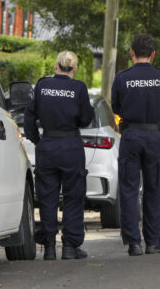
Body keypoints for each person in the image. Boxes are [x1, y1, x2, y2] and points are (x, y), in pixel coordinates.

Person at [24, 51, 94, 260]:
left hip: (48, 145)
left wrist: (37, 140)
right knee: (73, 196)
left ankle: (49, 248)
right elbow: (86, 119)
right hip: (71, 146)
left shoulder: (43, 86)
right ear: (74, 69)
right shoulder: (78, 88)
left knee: (47, 197)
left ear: (56, 66)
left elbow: (29, 116)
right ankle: (70, 247)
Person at [111, 33, 160, 256]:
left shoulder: (122, 78)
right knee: (153, 189)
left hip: (131, 136)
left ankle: (133, 242)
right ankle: (153, 242)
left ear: (132, 53)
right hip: (154, 136)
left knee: (129, 189)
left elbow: (116, 107)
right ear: (153, 54)